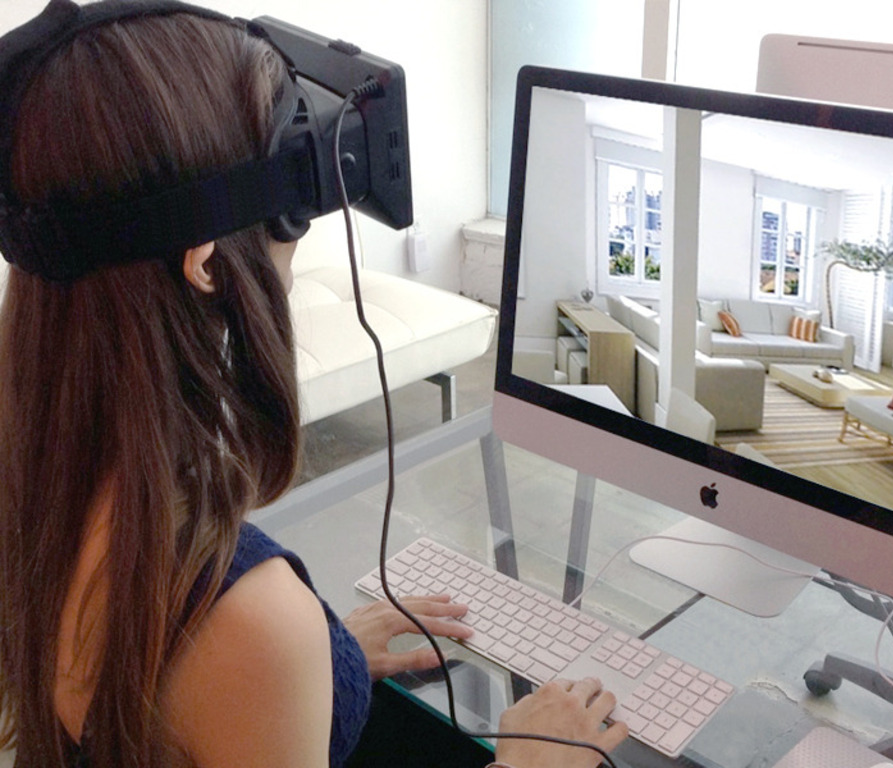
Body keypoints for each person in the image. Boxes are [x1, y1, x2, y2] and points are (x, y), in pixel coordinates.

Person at [0, 2, 628, 767]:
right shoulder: (244, 619)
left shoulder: (39, 493)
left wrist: (327, 657)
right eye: (288, 220)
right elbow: (229, 664)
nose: (293, 253)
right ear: (206, 263)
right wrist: (530, 761)